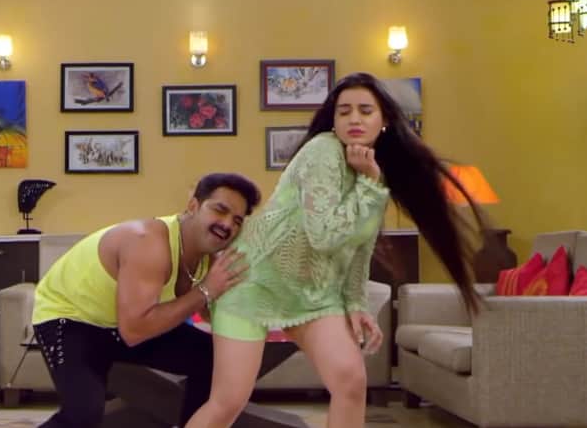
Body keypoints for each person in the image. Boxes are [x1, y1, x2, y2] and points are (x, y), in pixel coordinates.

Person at [185, 72, 488, 428]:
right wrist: (369, 184)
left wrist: (355, 304)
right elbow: (325, 236)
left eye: (365, 111)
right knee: (228, 402)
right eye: (344, 112)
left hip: (312, 295)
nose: (354, 119)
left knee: (350, 382)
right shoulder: (323, 151)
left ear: (384, 121)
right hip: (252, 283)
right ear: (333, 120)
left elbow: (360, 246)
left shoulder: (372, 172)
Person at [30, 172, 261, 428]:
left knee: (214, 358)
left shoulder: (209, 256)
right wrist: (206, 290)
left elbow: (210, 312)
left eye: (237, 220)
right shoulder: (148, 242)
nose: (227, 225)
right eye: (220, 210)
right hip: (72, 319)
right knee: (83, 417)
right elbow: (135, 330)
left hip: (119, 324)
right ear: (193, 206)